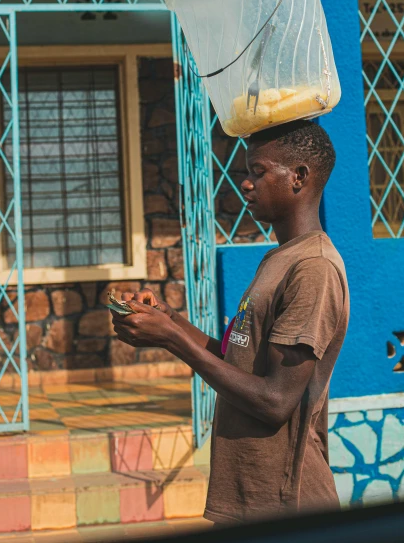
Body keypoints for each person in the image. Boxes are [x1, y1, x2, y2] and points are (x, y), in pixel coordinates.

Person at [111, 120, 349, 525]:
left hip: (286, 502)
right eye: (246, 172)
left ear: (299, 178)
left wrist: (172, 340)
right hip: (249, 498)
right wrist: (168, 320)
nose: (246, 183)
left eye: (258, 172)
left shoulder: (314, 268)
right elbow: (235, 361)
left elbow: (275, 400)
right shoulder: (280, 258)